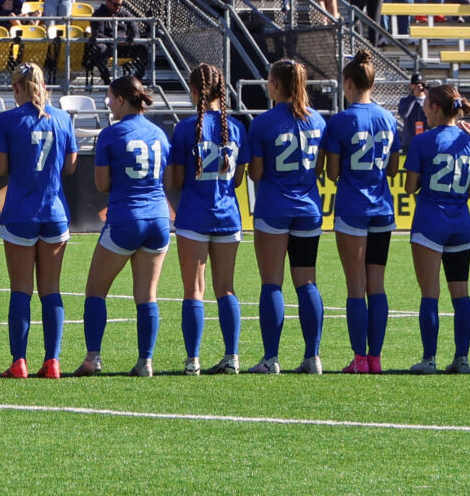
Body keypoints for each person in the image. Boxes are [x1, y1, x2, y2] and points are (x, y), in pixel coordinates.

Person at [74, 75, 172, 377]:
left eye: (109, 97)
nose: (107, 103)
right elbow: (165, 179)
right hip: (159, 217)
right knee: (147, 295)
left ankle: (93, 358)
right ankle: (146, 362)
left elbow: (102, 184)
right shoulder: (159, 133)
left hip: (126, 217)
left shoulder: (111, 134)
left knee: (95, 290)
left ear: (120, 99)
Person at [0, 63, 77, 379]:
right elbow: (70, 166)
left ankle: (19, 362)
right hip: (54, 212)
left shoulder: (8, 120)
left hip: (20, 213)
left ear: (17, 88)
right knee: (51, 289)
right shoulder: (63, 118)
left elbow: (0, 168)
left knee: (21, 289)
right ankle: (52, 362)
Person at [246, 60, 328, 375]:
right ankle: (312, 357)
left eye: (270, 80)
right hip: (308, 209)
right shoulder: (318, 120)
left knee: (272, 283)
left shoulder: (263, 123)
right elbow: (319, 168)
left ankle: (271, 359)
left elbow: (256, 173)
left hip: (274, 209)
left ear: (277, 84)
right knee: (307, 282)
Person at [167, 64, 247, 375]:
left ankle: (193, 361)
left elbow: (175, 181)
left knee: (194, 290)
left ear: (194, 90)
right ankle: (232, 357)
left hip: (194, 216)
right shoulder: (236, 127)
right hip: (227, 215)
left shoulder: (184, 129)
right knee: (226, 288)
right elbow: (238, 179)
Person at [320, 55, 398, 373]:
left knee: (356, 285)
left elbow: (332, 172)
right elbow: (393, 169)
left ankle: (360, 359)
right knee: (376, 285)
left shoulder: (340, 121)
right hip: (382, 208)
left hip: (353, 208)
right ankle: (375, 359)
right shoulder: (388, 118)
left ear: (348, 84)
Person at [400, 84, 470, 374]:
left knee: (430, 294)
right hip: (461, 223)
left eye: (426, 107)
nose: (424, 112)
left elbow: (410, 187)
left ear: (434, 107)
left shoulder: (423, 141)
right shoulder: (469, 142)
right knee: (461, 293)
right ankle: (462, 359)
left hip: (430, 222)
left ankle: (429, 359)